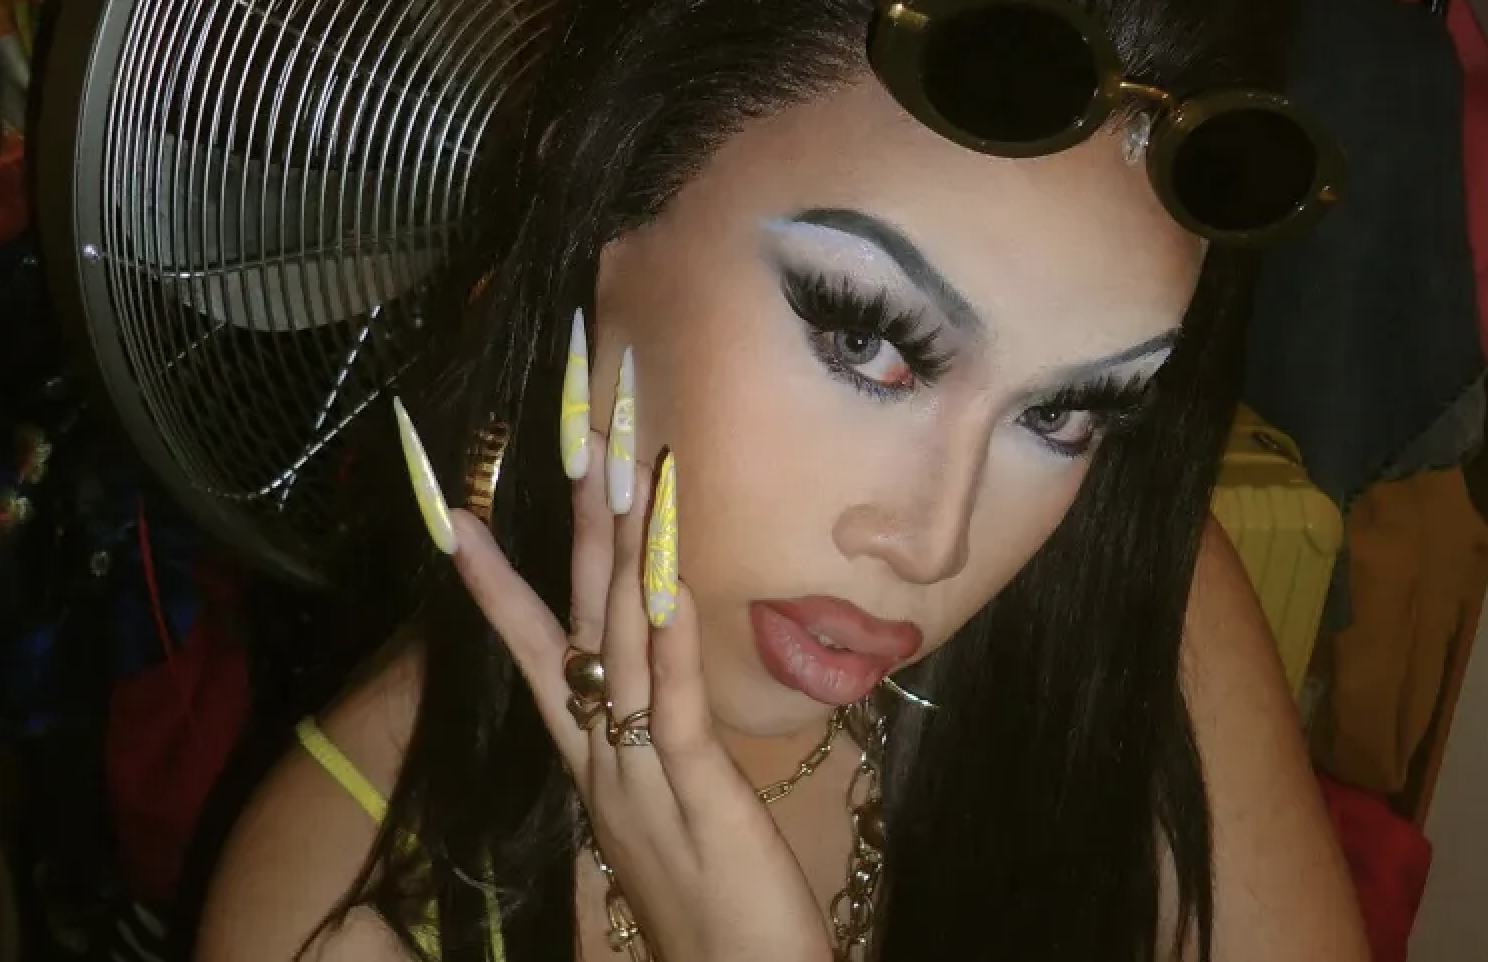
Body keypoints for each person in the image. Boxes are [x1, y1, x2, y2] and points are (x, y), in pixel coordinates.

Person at [196, 1, 1369, 960]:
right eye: (867, 338)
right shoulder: (337, 895)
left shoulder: (1151, 610)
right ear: (608, 192)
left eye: (1062, 413)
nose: (934, 543)